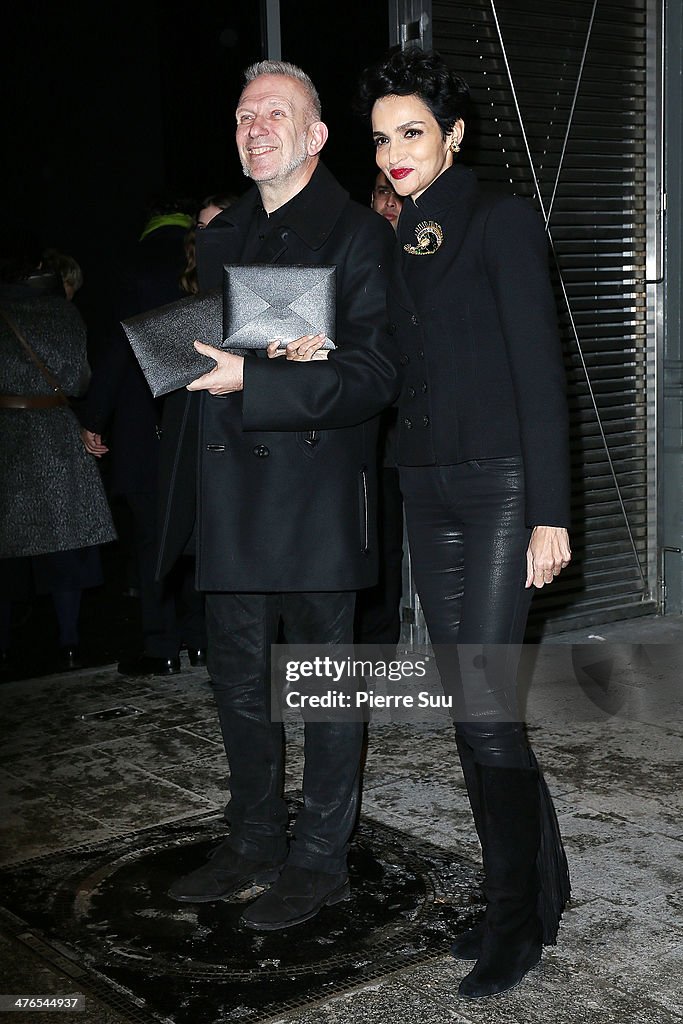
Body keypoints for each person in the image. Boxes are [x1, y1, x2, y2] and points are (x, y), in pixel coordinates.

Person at [157, 60, 399, 930]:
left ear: (317, 135)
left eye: (274, 113)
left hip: (314, 500)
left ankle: (321, 858)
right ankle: (254, 835)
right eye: (243, 115)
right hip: (230, 500)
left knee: (327, 691)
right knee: (237, 685)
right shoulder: (221, 234)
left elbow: (373, 376)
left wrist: (250, 383)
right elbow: (227, 347)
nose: (254, 127)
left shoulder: (357, 236)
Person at [354, 48, 572, 999]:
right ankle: (540, 885)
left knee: (483, 712)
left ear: (452, 135)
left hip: (498, 490)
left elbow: (539, 372)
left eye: (411, 132)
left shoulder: (499, 218)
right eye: (380, 138)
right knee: (473, 709)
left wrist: (550, 515)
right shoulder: (389, 237)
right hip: (425, 487)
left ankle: (512, 920)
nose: (395, 152)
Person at [79, 198, 207, 676]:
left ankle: (161, 645)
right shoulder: (204, 254)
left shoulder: (134, 267)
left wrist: (95, 417)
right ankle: (200, 639)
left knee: (153, 537)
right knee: (198, 531)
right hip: (201, 415)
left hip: (141, 420)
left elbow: (118, 349)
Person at [0, 230, 116, 671]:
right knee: (66, 543)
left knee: (5, 551)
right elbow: (80, 381)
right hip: (54, 431)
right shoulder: (62, 313)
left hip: (5, 433)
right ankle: (68, 640)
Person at [354, 171, 405, 654]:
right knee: (378, 542)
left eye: (396, 194)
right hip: (373, 430)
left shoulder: (422, 257)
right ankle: (376, 646)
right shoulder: (358, 258)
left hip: (418, 421)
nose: (387, 202)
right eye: (379, 193)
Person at [179, 194, 237, 296]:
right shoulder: (189, 275)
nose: (208, 235)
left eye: (217, 228)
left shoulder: (251, 272)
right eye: (202, 228)